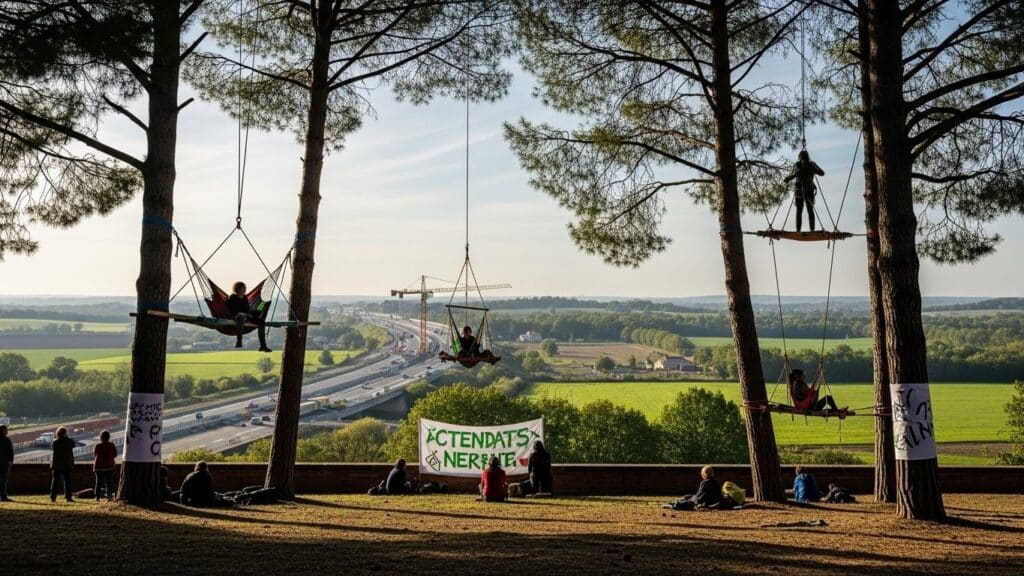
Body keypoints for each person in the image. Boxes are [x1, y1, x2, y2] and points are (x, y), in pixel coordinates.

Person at [783, 150, 825, 232]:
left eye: (804, 158)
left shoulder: (811, 164)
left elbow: (822, 173)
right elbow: (791, 176)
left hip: (808, 189)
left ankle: (811, 229)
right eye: (803, 158)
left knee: (808, 209)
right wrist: (791, 177)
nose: (803, 160)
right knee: (801, 209)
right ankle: (799, 230)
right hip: (800, 190)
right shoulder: (798, 165)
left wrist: (813, 169)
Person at [228, 281, 270, 352]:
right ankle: (239, 340)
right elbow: (233, 310)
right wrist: (245, 314)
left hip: (247, 315)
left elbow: (247, 309)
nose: (245, 290)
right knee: (241, 318)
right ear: (237, 289)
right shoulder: (232, 297)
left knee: (261, 317)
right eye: (243, 288)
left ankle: (263, 346)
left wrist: (249, 314)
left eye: (245, 288)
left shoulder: (245, 297)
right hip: (237, 316)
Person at [50, 427, 76, 502]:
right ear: (65, 433)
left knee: (55, 481)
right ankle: (68, 497)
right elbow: (73, 444)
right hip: (66, 464)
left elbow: (53, 447)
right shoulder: (69, 441)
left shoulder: (55, 442)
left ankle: (53, 497)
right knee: (67, 481)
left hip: (56, 465)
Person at [92, 430, 117, 501]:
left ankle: (97, 497)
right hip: (109, 466)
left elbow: (95, 455)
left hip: (99, 467)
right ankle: (109, 496)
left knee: (98, 482)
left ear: (101, 437)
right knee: (109, 482)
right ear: (108, 437)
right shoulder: (111, 445)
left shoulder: (98, 445)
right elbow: (115, 454)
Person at [0, 425, 13, 502]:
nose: (7, 431)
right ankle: (3, 496)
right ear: (3, 431)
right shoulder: (7, 440)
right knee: (3, 481)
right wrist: (11, 461)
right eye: (6, 430)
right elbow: (10, 452)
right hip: (4, 463)